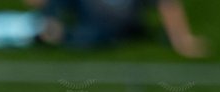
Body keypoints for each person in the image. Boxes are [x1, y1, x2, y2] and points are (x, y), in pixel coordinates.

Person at [31, 0, 208, 58]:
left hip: (109, 27)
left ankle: (54, 32)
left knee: (86, 37)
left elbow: (168, 4)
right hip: (96, 24)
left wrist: (182, 40)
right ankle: (51, 31)